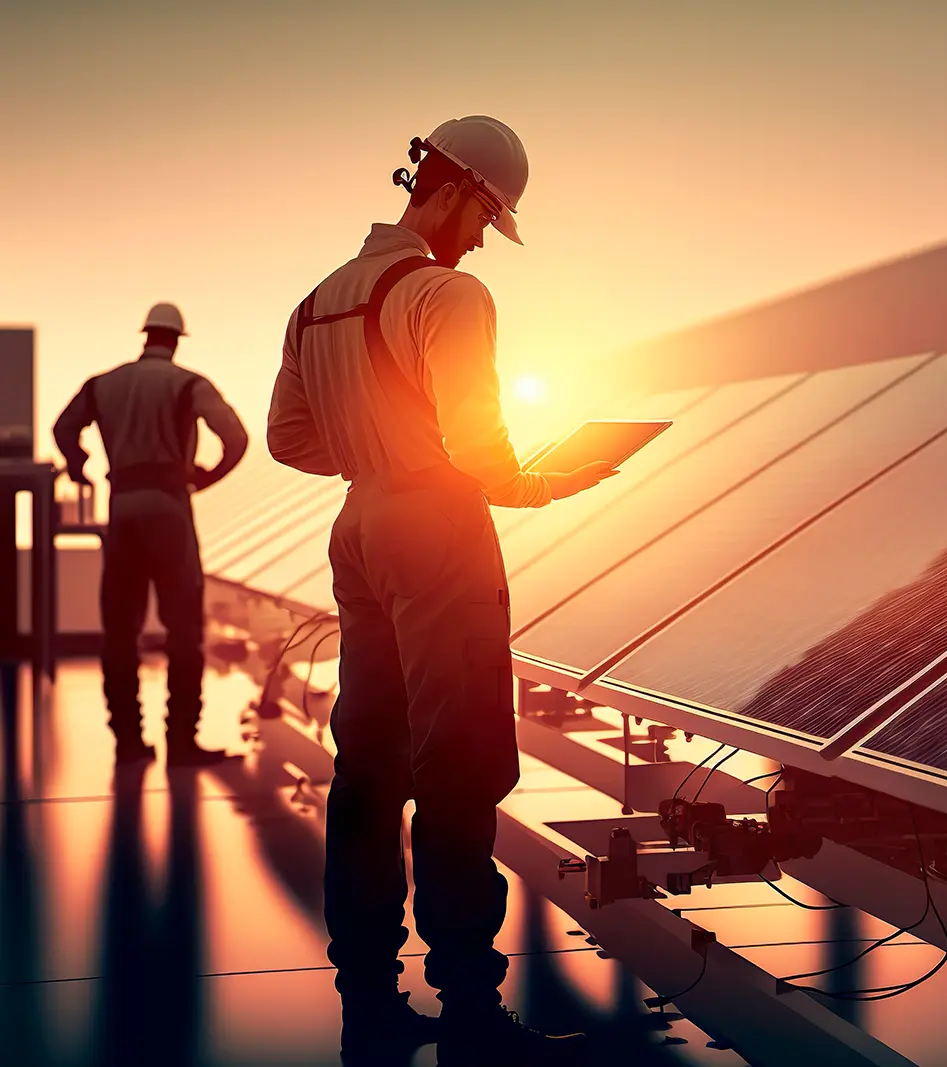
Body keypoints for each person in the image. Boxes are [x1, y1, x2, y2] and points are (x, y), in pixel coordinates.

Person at [266, 115, 615, 1066]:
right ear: (456, 191)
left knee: (369, 760)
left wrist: (375, 452)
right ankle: (469, 1007)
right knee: (459, 763)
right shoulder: (448, 295)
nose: (479, 240)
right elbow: (478, 450)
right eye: (486, 219)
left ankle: (368, 998)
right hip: (438, 529)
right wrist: (549, 480)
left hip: (361, 529)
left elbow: (289, 441)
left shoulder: (316, 300)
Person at [53, 302, 248, 767]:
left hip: (121, 507)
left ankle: (129, 742)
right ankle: (181, 741)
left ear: (145, 337)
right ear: (177, 339)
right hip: (168, 506)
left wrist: (80, 469)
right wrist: (204, 477)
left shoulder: (103, 384)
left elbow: (63, 428)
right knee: (183, 628)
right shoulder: (189, 384)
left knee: (120, 629)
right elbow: (235, 437)